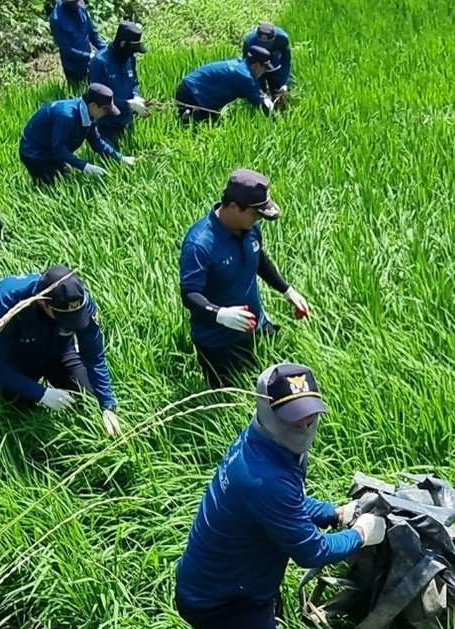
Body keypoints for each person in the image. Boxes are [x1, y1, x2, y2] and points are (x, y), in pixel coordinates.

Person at [174, 361, 386, 629]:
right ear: (268, 411)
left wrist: (332, 512)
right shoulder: (264, 476)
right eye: (294, 417)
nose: (305, 423)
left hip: (240, 583)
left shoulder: (261, 447)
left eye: (310, 413)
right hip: (220, 604)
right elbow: (309, 551)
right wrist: (361, 534)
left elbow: (285, 507)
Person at [179, 168, 310, 386]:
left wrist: (287, 290)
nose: (258, 219)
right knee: (230, 396)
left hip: (256, 326)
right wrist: (220, 314)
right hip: (219, 343)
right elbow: (190, 293)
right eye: (255, 213)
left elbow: (258, 258)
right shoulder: (200, 244)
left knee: (275, 377)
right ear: (233, 207)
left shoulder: (250, 228)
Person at [0, 265, 122, 436]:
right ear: (42, 302)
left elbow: (94, 356)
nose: (70, 322)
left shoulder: (80, 301)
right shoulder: (3, 303)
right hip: (16, 361)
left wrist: (107, 405)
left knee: (89, 397)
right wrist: (41, 394)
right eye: (64, 319)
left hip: (58, 352)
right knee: (20, 419)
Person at [18, 83, 135, 186]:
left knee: (66, 180)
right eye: (105, 110)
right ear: (93, 105)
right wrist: (85, 167)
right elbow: (59, 148)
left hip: (50, 148)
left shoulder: (88, 115)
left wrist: (121, 158)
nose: (106, 114)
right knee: (53, 187)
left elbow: (97, 142)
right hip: (35, 153)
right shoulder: (67, 117)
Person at [174, 46, 276, 125]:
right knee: (194, 130)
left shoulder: (241, 66)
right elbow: (259, 103)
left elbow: (257, 91)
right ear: (258, 65)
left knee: (214, 125)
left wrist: (265, 98)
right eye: (265, 68)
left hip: (192, 91)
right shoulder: (244, 76)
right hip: (192, 95)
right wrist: (276, 121)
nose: (264, 72)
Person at [88, 19, 149, 149]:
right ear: (122, 44)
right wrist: (128, 104)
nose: (134, 53)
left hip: (127, 120)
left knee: (132, 150)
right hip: (108, 124)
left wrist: (136, 96)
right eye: (133, 49)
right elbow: (98, 97)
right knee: (114, 161)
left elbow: (134, 83)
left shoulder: (129, 59)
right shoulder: (99, 62)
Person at [49, 0, 103, 90]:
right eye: (74, 2)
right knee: (79, 95)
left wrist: (106, 51)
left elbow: (93, 33)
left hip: (91, 62)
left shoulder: (81, 6)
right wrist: (89, 56)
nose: (77, 4)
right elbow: (67, 49)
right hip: (73, 67)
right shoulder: (56, 19)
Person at [241, 22, 291, 102]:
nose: (265, 46)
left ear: (274, 38)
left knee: (278, 89)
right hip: (257, 62)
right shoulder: (249, 41)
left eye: (268, 43)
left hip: (274, 61)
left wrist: (284, 83)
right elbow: (245, 65)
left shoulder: (282, 38)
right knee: (259, 92)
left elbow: (286, 61)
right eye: (262, 43)